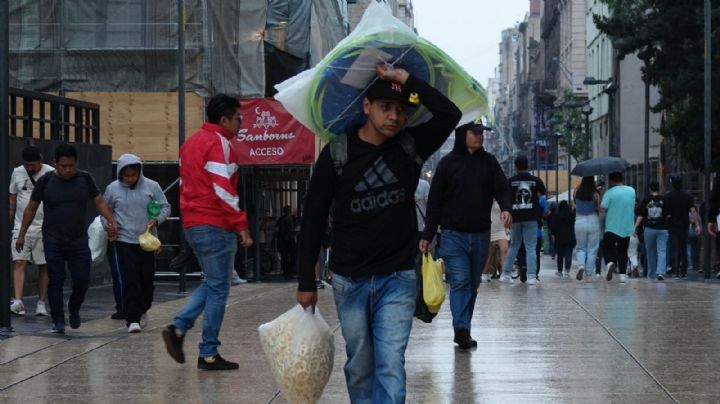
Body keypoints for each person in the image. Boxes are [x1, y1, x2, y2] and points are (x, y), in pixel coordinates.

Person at [295, 65, 461, 403]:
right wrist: (305, 282)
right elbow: (312, 218)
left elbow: (449, 114)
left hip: (397, 277)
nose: (395, 116)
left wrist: (404, 79)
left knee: (390, 364)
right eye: (385, 107)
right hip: (349, 278)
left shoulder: (410, 148)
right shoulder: (337, 153)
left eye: (401, 110)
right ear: (366, 106)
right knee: (359, 366)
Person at [162, 94, 253, 371]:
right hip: (215, 224)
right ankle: (207, 350)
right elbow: (223, 189)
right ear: (223, 119)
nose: (241, 123)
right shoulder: (219, 143)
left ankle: (182, 330)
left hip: (193, 223)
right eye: (238, 118)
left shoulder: (190, 143)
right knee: (218, 288)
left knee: (215, 283)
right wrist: (241, 225)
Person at [420, 119, 511, 348]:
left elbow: (502, 187)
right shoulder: (447, 164)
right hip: (452, 235)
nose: (480, 136)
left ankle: (464, 327)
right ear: (463, 134)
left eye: (482, 132)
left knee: (471, 285)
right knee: (460, 282)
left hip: (481, 234)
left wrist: (507, 208)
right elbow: (435, 203)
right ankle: (461, 329)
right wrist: (427, 234)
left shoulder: (489, 163)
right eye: (476, 132)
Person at [15, 143, 117, 334]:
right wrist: (21, 234)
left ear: (76, 163)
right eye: (63, 166)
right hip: (53, 239)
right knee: (56, 279)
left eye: (71, 166)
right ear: (55, 163)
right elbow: (30, 208)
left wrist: (112, 221)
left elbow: (99, 201)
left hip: (78, 240)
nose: (68, 170)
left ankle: (74, 306)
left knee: (82, 278)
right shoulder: (45, 181)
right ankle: (58, 320)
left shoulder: (85, 179)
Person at [103, 154, 171, 333]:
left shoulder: (152, 186)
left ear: (139, 172)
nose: (130, 179)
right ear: (120, 174)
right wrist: (109, 226)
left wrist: (156, 220)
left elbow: (165, 206)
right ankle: (132, 319)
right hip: (123, 239)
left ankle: (143, 308)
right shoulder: (112, 189)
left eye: (133, 175)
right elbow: (105, 211)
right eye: (126, 175)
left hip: (146, 240)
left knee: (146, 280)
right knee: (129, 279)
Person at [9, 145, 54, 316]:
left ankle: (41, 303)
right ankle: (18, 301)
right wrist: (10, 219)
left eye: (33, 165)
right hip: (21, 226)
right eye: (27, 165)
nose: (30, 168)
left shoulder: (50, 173)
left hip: (44, 226)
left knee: (44, 265)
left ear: (40, 160)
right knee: (19, 261)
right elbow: (12, 197)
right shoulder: (17, 172)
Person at [499, 155, 546, 285]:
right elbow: (542, 194)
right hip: (531, 217)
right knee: (531, 247)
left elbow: (506, 197)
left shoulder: (510, 181)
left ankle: (505, 274)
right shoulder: (536, 180)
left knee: (514, 246)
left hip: (515, 218)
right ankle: (532, 276)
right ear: (528, 165)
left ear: (515, 166)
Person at [600, 172, 636, 283]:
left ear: (611, 181)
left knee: (606, 247)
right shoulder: (632, 191)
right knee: (623, 251)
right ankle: (622, 275)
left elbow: (603, 208)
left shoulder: (609, 192)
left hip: (612, 226)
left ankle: (610, 263)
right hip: (627, 226)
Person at [664, 174, 700, 279]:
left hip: (672, 225)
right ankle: (684, 271)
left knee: (674, 248)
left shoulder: (668, 196)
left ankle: (675, 271)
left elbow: (666, 213)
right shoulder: (688, 196)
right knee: (683, 248)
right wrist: (697, 225)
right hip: (684, 225)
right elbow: (693, 210)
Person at [634, 181, 668, 280]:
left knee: (650, 251)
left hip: (649, 229)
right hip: (663, 229)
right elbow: (668, 214)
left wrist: (635, 227)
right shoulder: (664, 199)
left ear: (650, 189)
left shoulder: (646, 200)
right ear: (659, 188)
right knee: (662, 250)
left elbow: (640, 215)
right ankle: (660, 272)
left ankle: (651, 273)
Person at [573, 176, 601, 281]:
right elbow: (598, 208)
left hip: (579, 220)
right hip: (593, 220)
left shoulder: (576, 191)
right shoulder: (595, 194)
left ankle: (581, 265)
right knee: (592, 249)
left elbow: (575, 203)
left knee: (580, 247)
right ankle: (589, 274)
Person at [482, 200, 509, 282]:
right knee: (489, 254)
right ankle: (484, 274)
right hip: (489, 229)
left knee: (505, 251)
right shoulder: (485, 198)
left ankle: (505, 274)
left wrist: (506, 227)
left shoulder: (501, 200)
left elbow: (506, 214)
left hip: (500, 229)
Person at [548, 200, 575, 278]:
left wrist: (553, 235)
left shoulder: (557, 216)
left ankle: (560, 271)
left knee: (560, 255)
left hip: (559, 238)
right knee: (568, 254)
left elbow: (553, 227)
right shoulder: (571, 215)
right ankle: (567, 270)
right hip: (570, 238)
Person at [277, 205, 297, 279]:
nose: (288, 212)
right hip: (286, 240)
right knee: (286, 257)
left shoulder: (290, 218)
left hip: (288, 240)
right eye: (287, 210)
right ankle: (288, 271)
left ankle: (289, 271)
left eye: (288, 210)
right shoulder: (284, 219)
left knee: (290, 257)